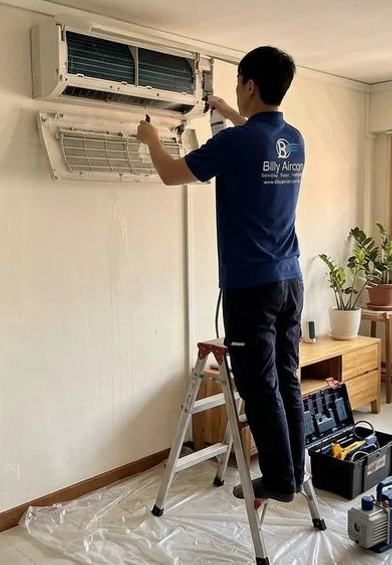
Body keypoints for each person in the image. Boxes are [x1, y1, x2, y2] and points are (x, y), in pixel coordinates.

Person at [136, 46, 305, 503]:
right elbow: (256, 139)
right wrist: (229, 112)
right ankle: (296, 466)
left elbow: (173, 174)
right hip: (290, 280)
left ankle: (282, 481)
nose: (236, 91)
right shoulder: (292, 138)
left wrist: (150, 138)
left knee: (257, 384)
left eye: (237, 84)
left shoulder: (237, 143)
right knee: (286, 376)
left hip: (252, 287)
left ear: (250, 85)